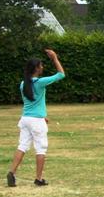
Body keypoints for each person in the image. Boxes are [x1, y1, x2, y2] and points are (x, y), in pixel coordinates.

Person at [7, 49, 65, 187]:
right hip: (36, 121)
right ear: (37, 69)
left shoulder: (23, 84)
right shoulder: (40, 82)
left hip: (26, 119)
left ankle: (12, 172)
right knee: (40, 149)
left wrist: (42, 116)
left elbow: (32, 103)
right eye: (41, 66)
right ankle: (39, 178)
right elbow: (61, 74)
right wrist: (55, 58)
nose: (42, 67)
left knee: (22, 146)